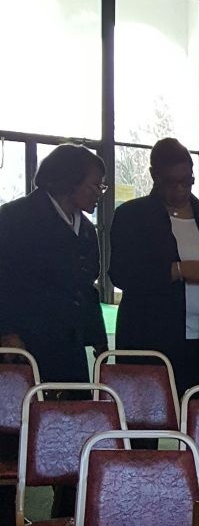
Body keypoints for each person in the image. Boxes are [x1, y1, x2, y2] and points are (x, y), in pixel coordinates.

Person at [109, 138, 199, 395]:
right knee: (150, 414)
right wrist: (177, 271)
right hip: (150, 338)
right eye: (172, 182)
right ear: (154, 176)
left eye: (187, 181)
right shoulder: (132, 215)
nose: (181, 189)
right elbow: (121, 273)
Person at [0, 144, 109, 383]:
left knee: (74, 404)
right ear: (70, 181)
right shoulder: (14, 218)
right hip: (23, 343)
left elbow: (86, 287)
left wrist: (97, 336)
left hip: (70, 344)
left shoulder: (86, 229)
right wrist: (5, 331)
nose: (99, 193)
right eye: (95, 185)